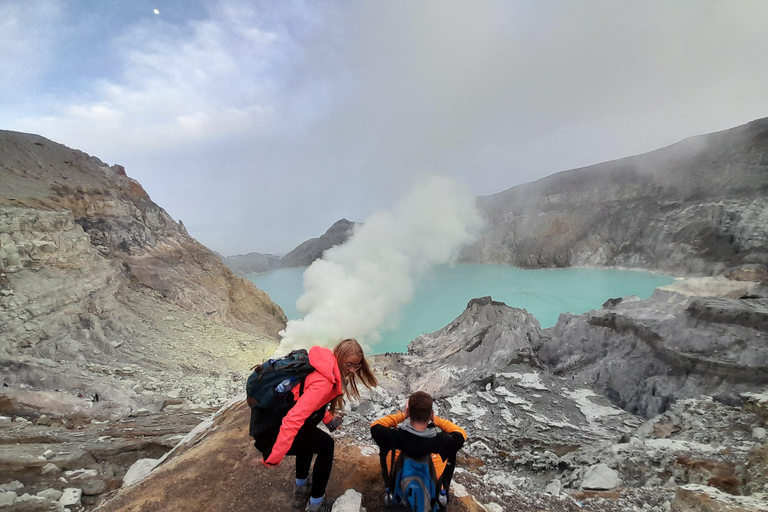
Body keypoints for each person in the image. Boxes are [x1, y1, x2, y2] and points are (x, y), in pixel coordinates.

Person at [251, 338, 378, 512]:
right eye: (349, 364)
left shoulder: (324, 363)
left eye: (356, 366)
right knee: (326, 445)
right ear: (339, 356)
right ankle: (316, 504)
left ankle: (300, 489)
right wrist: (274, 456)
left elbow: (305, 399)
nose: (352, 371)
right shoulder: (325, 382)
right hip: (272, 431)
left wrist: (326, 418)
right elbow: (293, 419)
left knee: (309, 438)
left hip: (269, 421)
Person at [370, 391, 466, 510]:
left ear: (409, 412)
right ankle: (440, 498)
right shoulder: (442, 443)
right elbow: (461, 433)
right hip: (430, 505)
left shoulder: (393, 438)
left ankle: (390, 492)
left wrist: (402, 416)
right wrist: (435, 419)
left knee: (384, 449)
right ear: (430, 414)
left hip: (399, 504)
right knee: (450, 454)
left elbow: (375, 425)